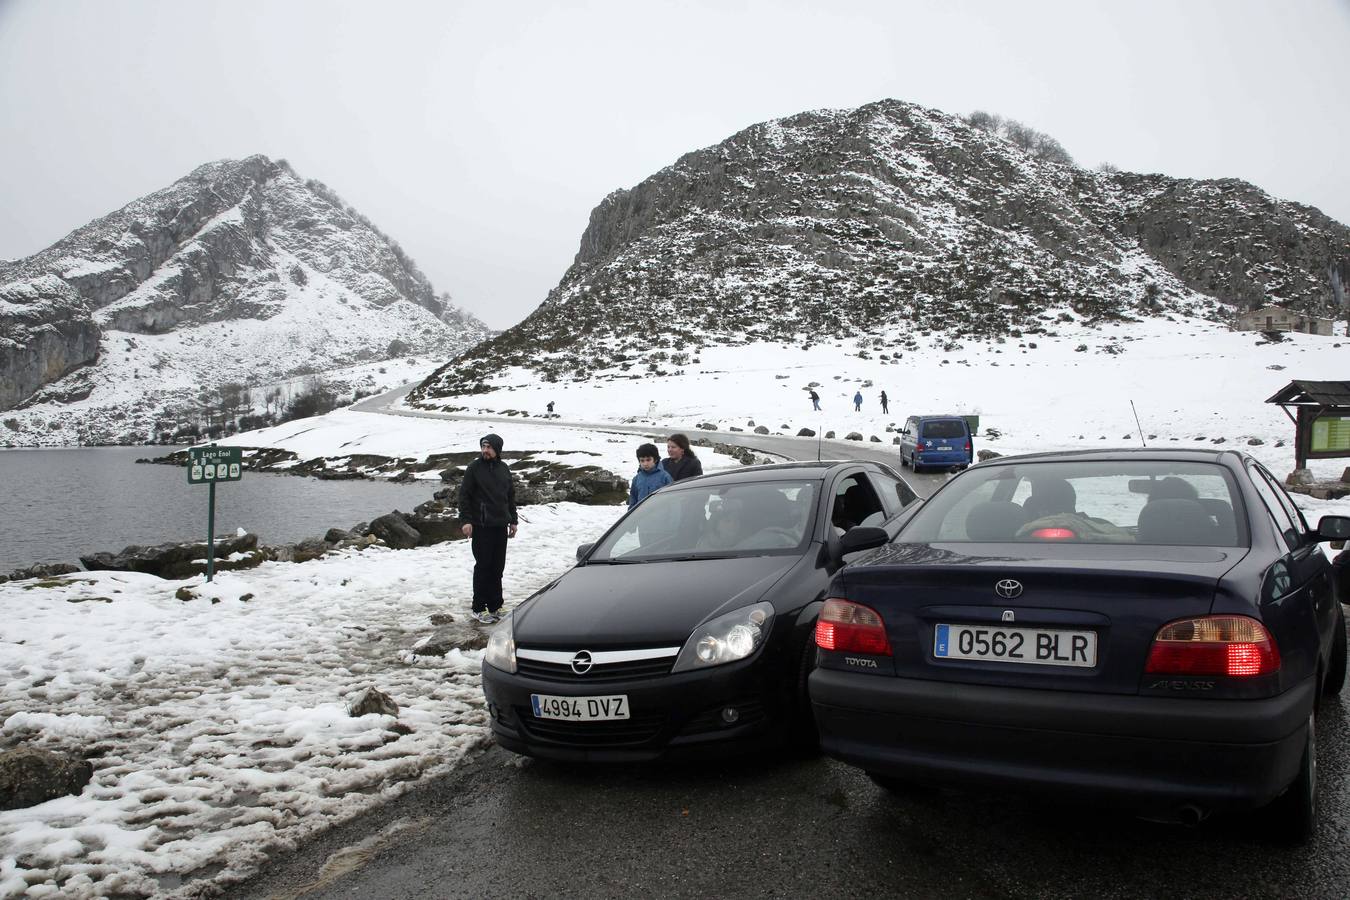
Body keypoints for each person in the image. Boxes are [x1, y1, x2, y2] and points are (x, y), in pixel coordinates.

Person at [458, 433, 518, 624]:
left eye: (489, 447)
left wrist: (513, 521)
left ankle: (496, 605)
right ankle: (478, 607)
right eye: (483, 446)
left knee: (497, 567)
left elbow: (510, 496)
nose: (485, 450)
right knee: (483, 566)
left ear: (497, 449)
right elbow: (464, 496)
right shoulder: (474, 468)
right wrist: (466, 521)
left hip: (500, 525)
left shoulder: (503, 468)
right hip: (481, 526)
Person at [629, 442, 673, 508]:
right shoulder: (637, 478)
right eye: (642, 461)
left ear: (655, 459)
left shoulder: (665, 477)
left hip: (660, 513)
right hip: (641, 514)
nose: (645, 463)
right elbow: (633, 500)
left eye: (648, 460)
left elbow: (671, 499)